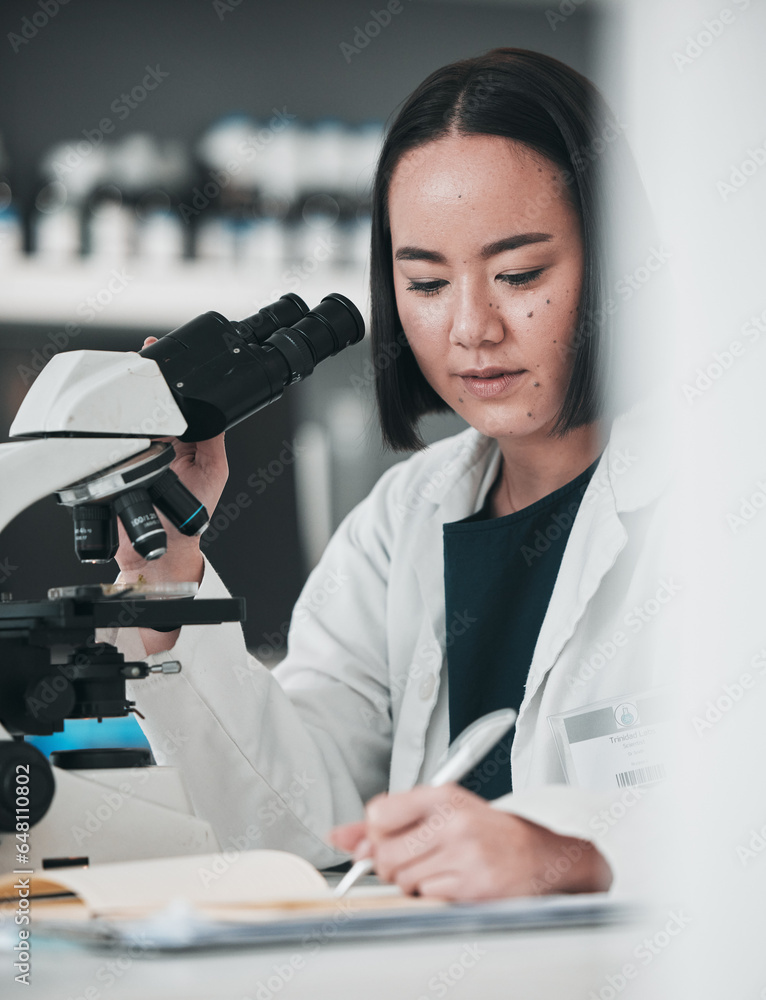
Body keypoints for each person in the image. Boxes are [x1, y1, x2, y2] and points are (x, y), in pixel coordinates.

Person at [108, 48, 671, 901]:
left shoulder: (724, 500)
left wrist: (569, 855)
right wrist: (165, 576)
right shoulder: (404, 518)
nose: (472, 327)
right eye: (427, 282)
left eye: (519, 274)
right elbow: (296, 818)